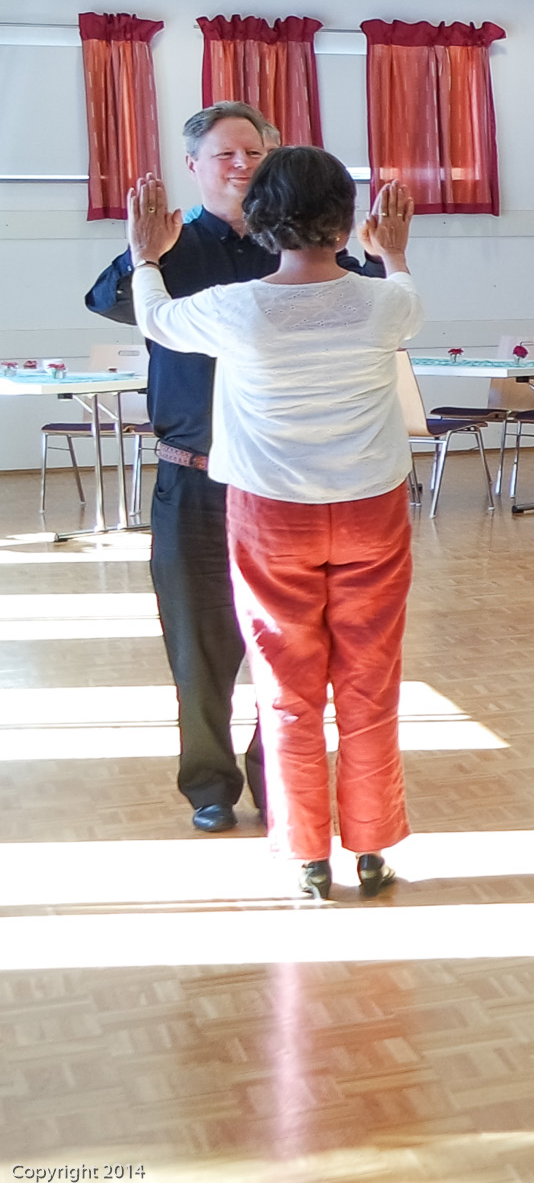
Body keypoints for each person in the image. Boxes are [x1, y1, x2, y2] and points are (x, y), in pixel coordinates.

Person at [127, 150, 421, 901]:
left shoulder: (235, 308)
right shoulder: (386, 305)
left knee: (286, 689)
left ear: (260, 220)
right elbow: (403, 287)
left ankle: (307, 856)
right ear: (345, 220)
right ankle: (372, 847)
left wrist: (146, 256)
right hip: (371, 511)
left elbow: (155, 318)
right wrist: (393, 251)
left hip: (272, 516)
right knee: (370, 681)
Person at [83, 101, 381, 835]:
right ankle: (209, 785)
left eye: (255, 152)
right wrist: (141, 250)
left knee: (290, 644)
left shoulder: (301, 251)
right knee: (198, 644)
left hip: (281, 482)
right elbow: (108, 302)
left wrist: (377, 253)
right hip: (193, 477)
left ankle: (277, 776)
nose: (242, 165)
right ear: (194, 166)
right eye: (226, 154)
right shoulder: (172, 248)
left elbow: (364, 304)